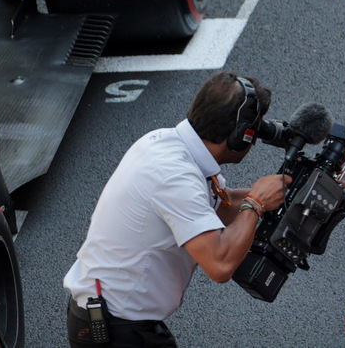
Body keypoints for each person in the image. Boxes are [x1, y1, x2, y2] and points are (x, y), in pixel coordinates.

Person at [63, 72, 292, 347]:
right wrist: (256, 202)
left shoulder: (169, 144)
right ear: (240, 136)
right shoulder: (175, 175)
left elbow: (219, 207)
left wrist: (287, 195)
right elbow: (220, 265)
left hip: (113, 320)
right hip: (115, 331)